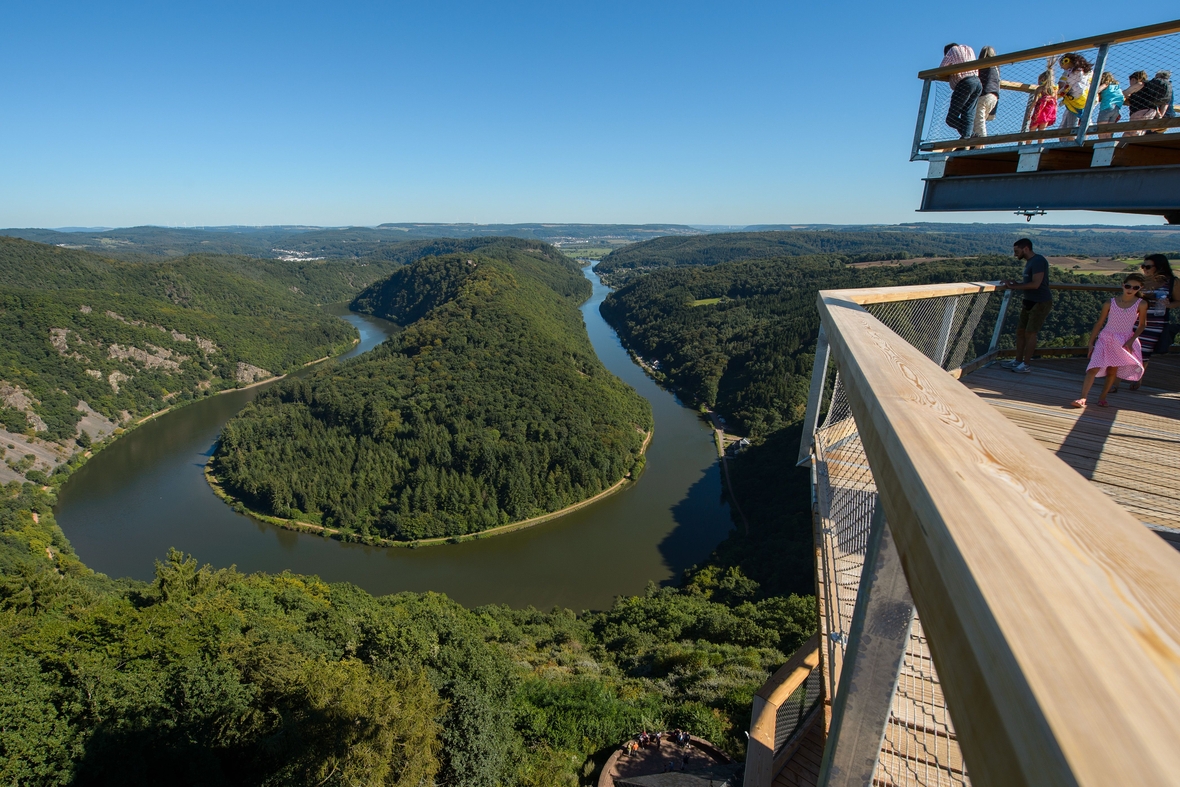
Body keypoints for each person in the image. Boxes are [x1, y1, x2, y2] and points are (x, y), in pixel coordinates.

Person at [1070, 274, 1148, 408]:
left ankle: (1103, 397)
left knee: (1112, 370)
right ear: (1123, 285)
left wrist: (1131, 341)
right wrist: (1091, 342)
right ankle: (1083, 397)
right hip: (1106, 337)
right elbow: (1099, 323)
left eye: (1135, 288)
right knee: (1093, 367)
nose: (1130, 289)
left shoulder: (1141, 304)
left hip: (1123, 340)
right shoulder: (1110, 302)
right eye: (1128, 286)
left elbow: (1142, 325)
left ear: (1140, 288)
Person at [1000, 238, 1052, 373]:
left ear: (1026, 249)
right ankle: (1017, 361)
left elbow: (1036, 284)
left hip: (1040, 302)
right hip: (1029, 301)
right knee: (1021, 332)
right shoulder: (1030, 262)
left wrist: (1015, 286)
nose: (1015, 254)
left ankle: (1026, 364)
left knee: (1030, 333)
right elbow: (1030, 283)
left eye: (1017, 251)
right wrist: (1014, 282)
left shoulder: (1038, 261)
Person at [1134, 254, 1178, 389]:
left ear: (1159, 267)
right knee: (1130, 348)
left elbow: (1178, 301)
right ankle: (1118, 381)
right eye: (1143, 266)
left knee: (1145, 352)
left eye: (1148, 266)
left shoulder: (1173, 282)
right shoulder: (1142, 280)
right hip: (1136, 320)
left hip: (1157, 322)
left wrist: (1168, 305)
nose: (1145, 269)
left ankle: (1137, 379)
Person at [941, 43, 982, 139]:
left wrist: (949, 69)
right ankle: (968, 137)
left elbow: (942, 68)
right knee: (968, 114)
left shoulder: (952, 50)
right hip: (977, 83)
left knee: (951, 118)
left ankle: (969, 136)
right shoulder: (969, 49)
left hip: (964, 84)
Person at [1057, 52, 1093, 129]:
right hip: (1085, 97)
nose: (1061, 68)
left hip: (1076, 97)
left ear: (1066, 61)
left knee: (1072, 122)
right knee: (1081, 116)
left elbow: (1064, 84)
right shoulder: (1088, 71)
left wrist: (1061, 91)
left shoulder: (1074, 72)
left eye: (1062, 64)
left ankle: (1073, 137)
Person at [973, 46, 1001, 138]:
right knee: (981, 120)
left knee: (979, 122)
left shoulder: (983, 65)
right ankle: (977, 143)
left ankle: (981, 144)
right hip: (994, 97)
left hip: (984, 94)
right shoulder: (996, 68)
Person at [1125, 70, 1161, 136]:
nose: (1130, 84)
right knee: (1131, 132)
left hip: (1140, 111)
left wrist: (1128, 96)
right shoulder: (1150, 86)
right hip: (1150, 111)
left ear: (1133, 79)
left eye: (1130, 82)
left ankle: (1133, 144)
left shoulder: (1140, 84)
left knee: (1134, 132)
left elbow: (1125, 92)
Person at [1027, 68, 1058, 139]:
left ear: (1043, 80)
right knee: (1042, 130)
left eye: (1039, 80)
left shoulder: (1040, 89)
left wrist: (1030, 112)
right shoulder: (1054, 90)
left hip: (1039, 110)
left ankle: (1027, 145)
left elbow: (1034, 101)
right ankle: (1040, 145)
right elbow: (1055, 102)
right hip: (1048, 112)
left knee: (1032, 128)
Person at [1095, 71, 1124, 138]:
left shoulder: (1106, 84)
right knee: (1109, 132)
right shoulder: (1117, 87)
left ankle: (1101, 145)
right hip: (1116, 109)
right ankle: (1108, 144)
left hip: (1107, 107)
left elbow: (1097, 90)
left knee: (1101, 130)